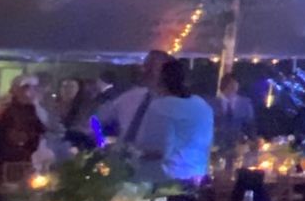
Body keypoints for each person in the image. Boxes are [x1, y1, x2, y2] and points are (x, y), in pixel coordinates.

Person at [133, 58, 214, 188]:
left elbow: (159, 148)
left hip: (168, 180)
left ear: (161, 81)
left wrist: (133, 153)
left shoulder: (161, 107)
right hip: (198, 176)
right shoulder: (202, 105)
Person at [0, 74, 53, 182]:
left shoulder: (35, 110)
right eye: (26, 87)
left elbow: (43, 131)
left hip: (24, 161)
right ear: (14, 89)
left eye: (34, 87)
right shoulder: (0, 107)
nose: (30, 91)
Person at [104, 49, 169, 145]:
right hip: (122, 157)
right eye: (145, 66)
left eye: (152, 67)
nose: (144, 71)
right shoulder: (129, 97)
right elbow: (95, 121)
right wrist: (100, 142)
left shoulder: (178, 106)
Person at [212, 74, 257, 152]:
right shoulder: (213, 104)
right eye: (230, 86)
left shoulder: (245, 104)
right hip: (216, 145)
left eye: (234, 85)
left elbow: (250, 125)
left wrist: (251, 140)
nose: (233, 88)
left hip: (239, 146)